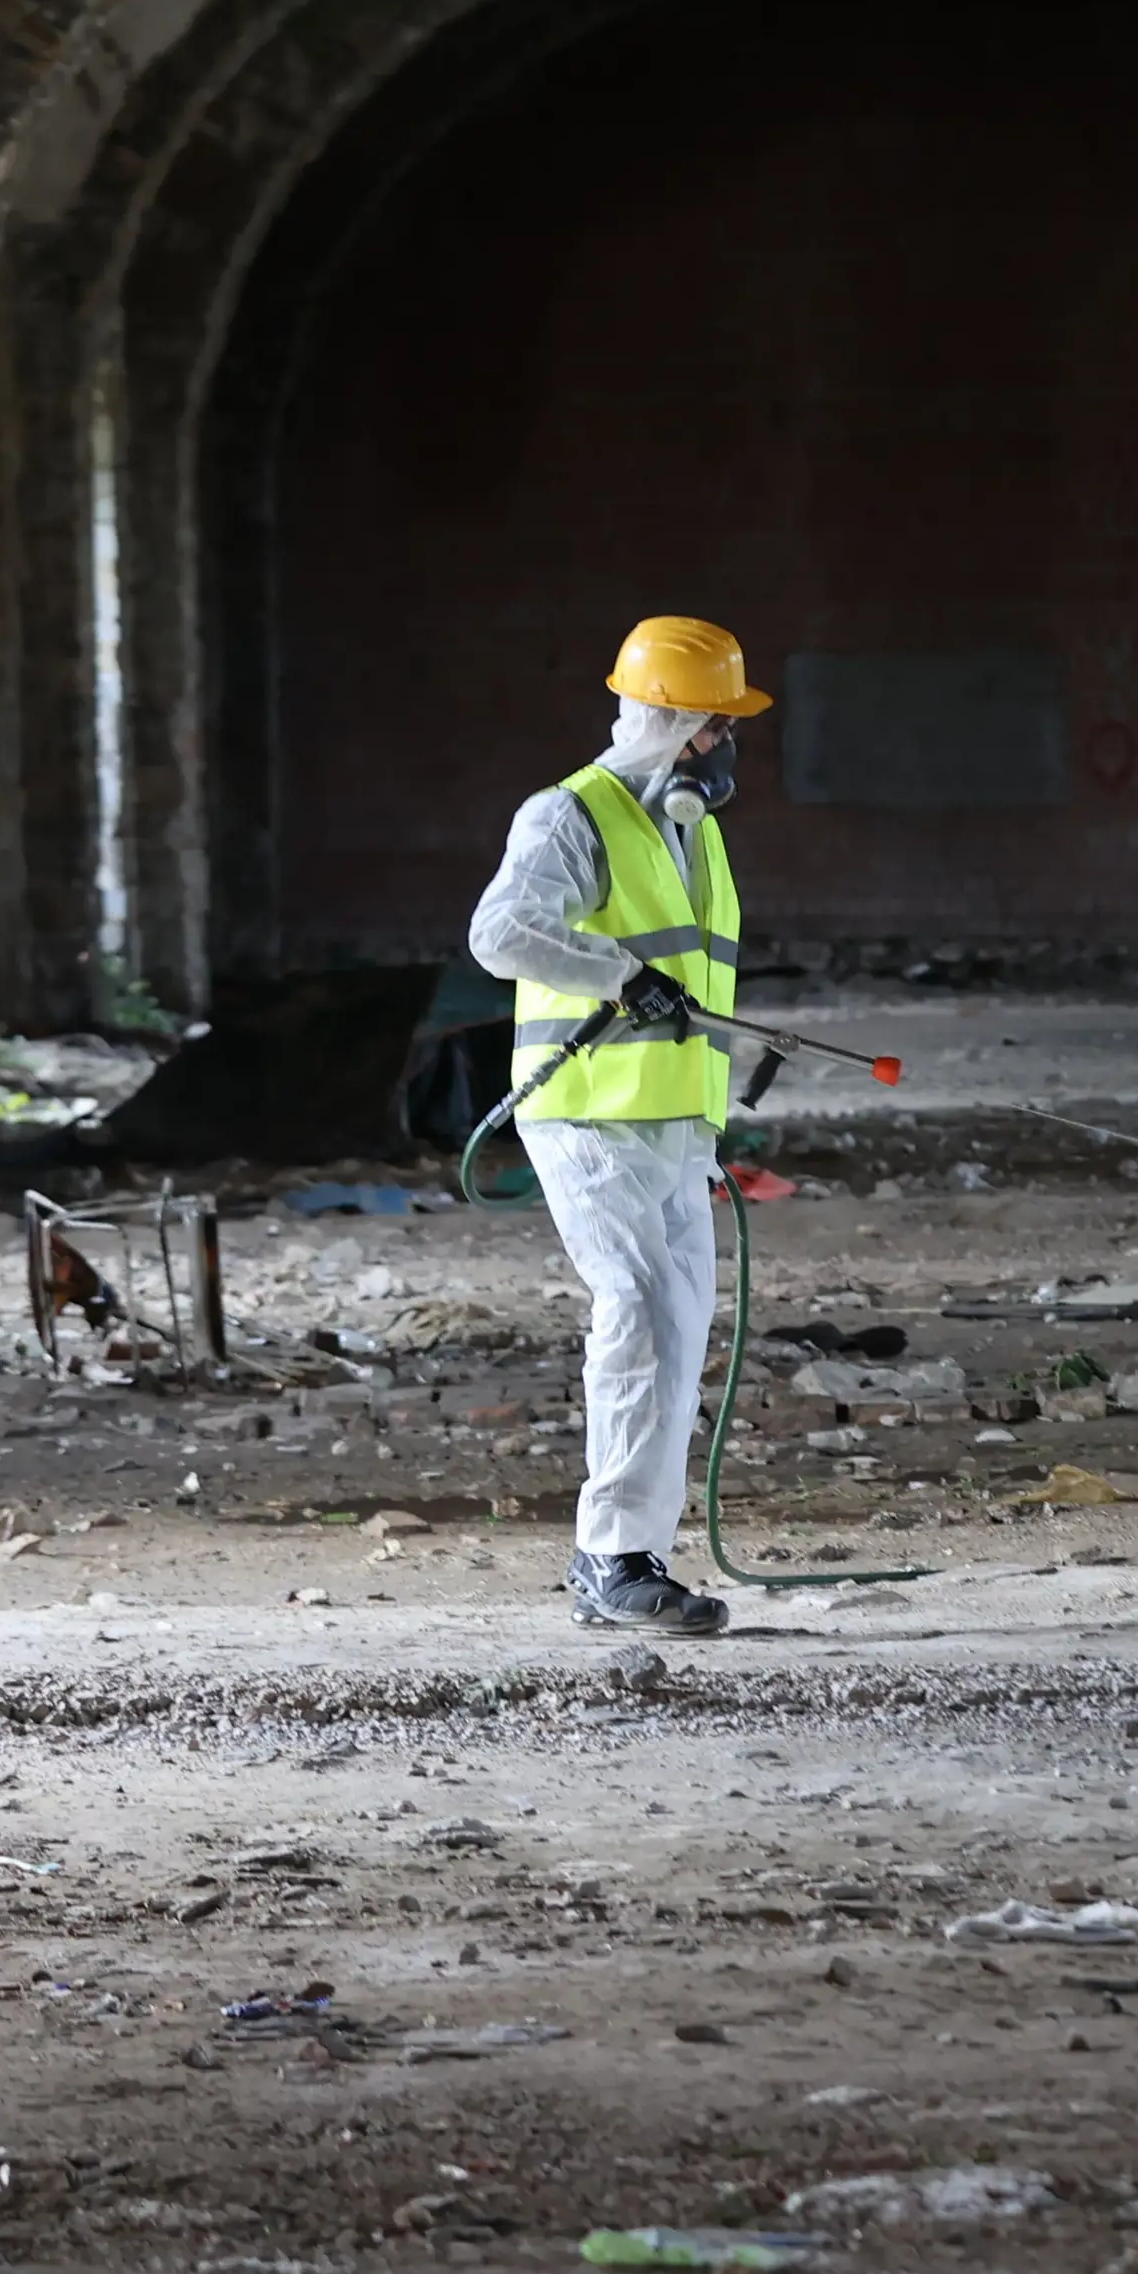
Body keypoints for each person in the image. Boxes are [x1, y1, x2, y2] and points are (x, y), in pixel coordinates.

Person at [465, 616, 773, 1636]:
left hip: (677, 1129)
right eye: (711, 728)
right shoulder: (570, 816)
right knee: (637, 1310)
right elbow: (499, 933)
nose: (724, 748)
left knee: (676, 1333)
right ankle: (611, 1558)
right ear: (667, 722)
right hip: (588, 1114)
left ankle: (628, 1555)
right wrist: (615, 976)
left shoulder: (693, 832)